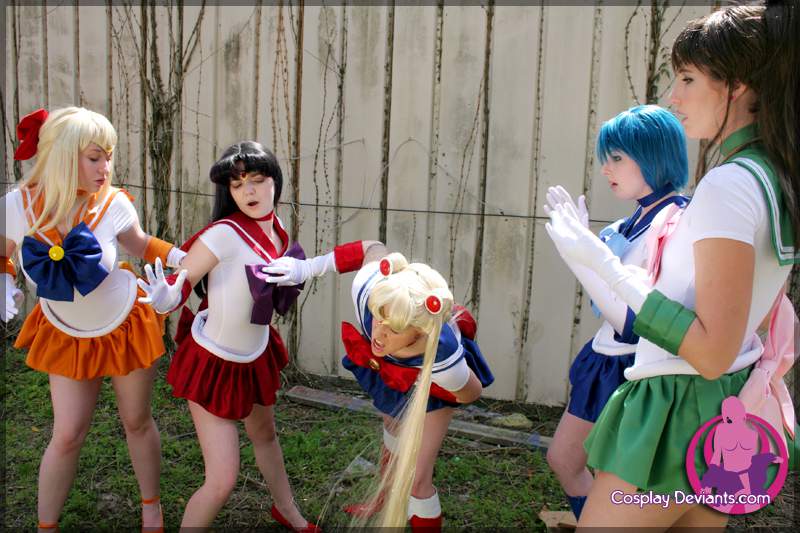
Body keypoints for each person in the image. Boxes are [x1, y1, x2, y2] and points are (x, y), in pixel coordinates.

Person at [545, 2, 799, 527]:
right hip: (726, 409)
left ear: (738, 85)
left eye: (687, 78)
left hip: (676, 414)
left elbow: (709, 350)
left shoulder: (732, 184)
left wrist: (602, 264)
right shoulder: (773, 178)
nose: (673, 97)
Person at [1, 106, 185, 531]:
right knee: (67, 434)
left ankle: (151, 508)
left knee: (136, 420)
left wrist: (187, 262)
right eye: (95, 157)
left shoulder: (113, 202)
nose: (106, 168)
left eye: (109, 157)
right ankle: (46, 526)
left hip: (125, 322)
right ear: (64, 155)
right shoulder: (17, 205)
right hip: (67, 331)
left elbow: (141, 244)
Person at [137, 141, 318, 532]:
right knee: (221, 481)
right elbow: (183, 279)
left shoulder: (278, 231)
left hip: (255, 353)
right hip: (214, 362)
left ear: (276, 181)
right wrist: (169, 297)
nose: (248, 192)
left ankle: (287, 510)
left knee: (265, 435)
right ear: (228, 192)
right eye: (237, 185)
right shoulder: (223, 233)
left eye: (257, 180)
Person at [262, 246, 494, 531]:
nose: (379, 334)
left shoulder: (444, 361)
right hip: (392, 368)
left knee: (417, 479)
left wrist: (425, 382)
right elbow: (372, 248)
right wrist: (307, 268)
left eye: (394, 329)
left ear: (419, 332)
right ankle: (383, 499)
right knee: (393, 431)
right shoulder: (368, 289)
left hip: (434, 387)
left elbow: (471, 393)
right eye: (378, 318)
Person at [543, 104, 689, 520]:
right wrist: (581, 250)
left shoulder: (676, 223)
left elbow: (635, 324)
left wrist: (580, 254)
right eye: (605, 158)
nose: (606, 168)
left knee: (621, 488)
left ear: (654, 153)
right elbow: (605, 307)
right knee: (565, 459)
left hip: (637, 370)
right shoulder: (630, 224)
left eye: (618, 157)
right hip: (603, 360)